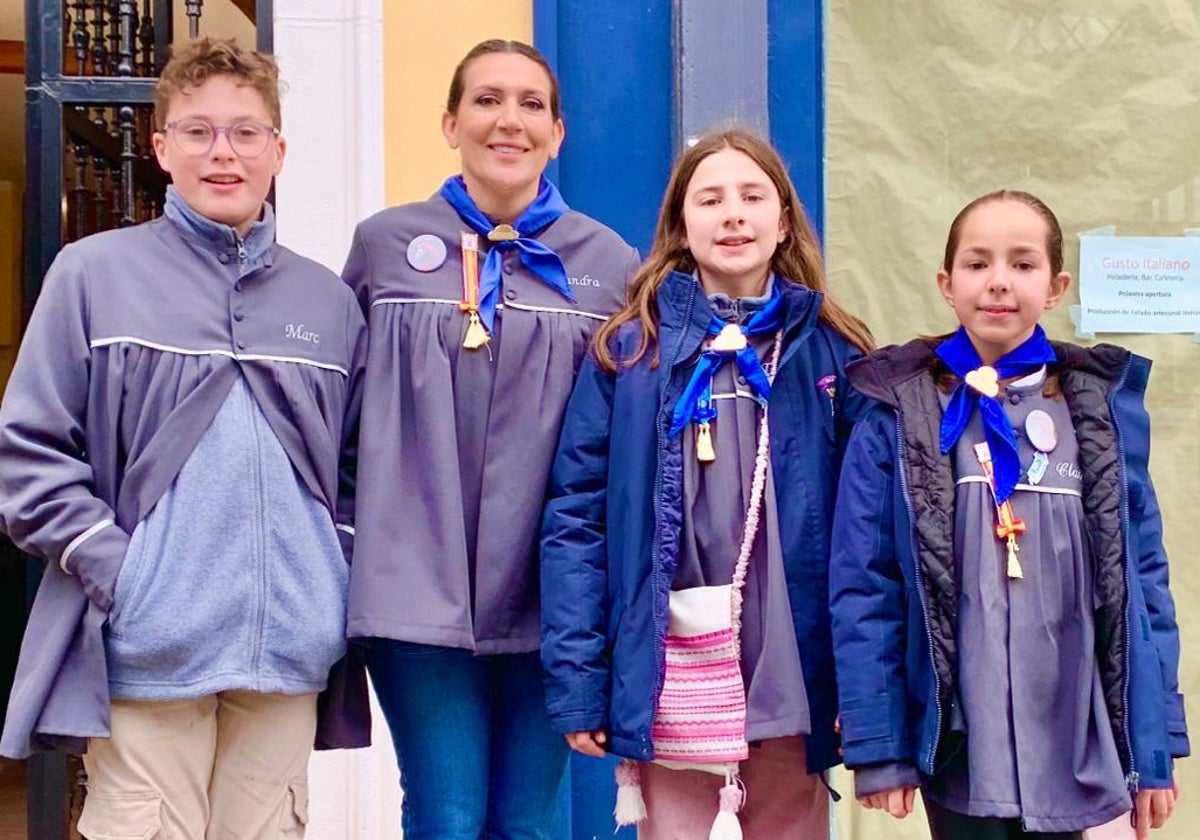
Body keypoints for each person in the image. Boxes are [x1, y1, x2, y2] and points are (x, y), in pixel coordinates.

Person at [0, 36, 369, 839]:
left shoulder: (330, 302)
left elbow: (358, 467)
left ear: (278, 149)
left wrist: (330, 578)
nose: (223, 152)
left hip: (289, 657)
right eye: (198, 131)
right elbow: (28, 458)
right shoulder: (91, 275)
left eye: (245, 131)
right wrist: (128, 577)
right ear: (162, 148)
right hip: (147, 653)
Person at [341, 38, 639, 839]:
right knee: (448, 811)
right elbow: (339, 418)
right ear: (450, 122)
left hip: (553, 594)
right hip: (414, 587)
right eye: (486, 100)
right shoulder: (385, 247)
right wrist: (349, 538)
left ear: (557, 133)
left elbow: (627, 436)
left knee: (530, 818)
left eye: (530, 104)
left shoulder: (609, 264)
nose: (509, 119)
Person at [540, 127, 873, 838]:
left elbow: (870, 535)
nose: (733, 215)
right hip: (670, 678)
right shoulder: (629, 352)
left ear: (782, 222)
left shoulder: (835, 355)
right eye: (711, 198)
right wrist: (580, 683)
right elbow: (577, 518)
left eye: (753, 197)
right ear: (680, 227)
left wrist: (867, 692)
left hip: (794, 672)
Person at [829, 190, 1188, 840]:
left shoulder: (1098, 416)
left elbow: (1145, 582)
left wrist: (1155, 742)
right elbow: (865, 587)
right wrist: (879, 744)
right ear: (947, 282)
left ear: (1057, 286)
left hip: (1080, 734)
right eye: (977, 263)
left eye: (1022, 265)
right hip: (967, 745)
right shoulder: (900, 413)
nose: (999, 281)